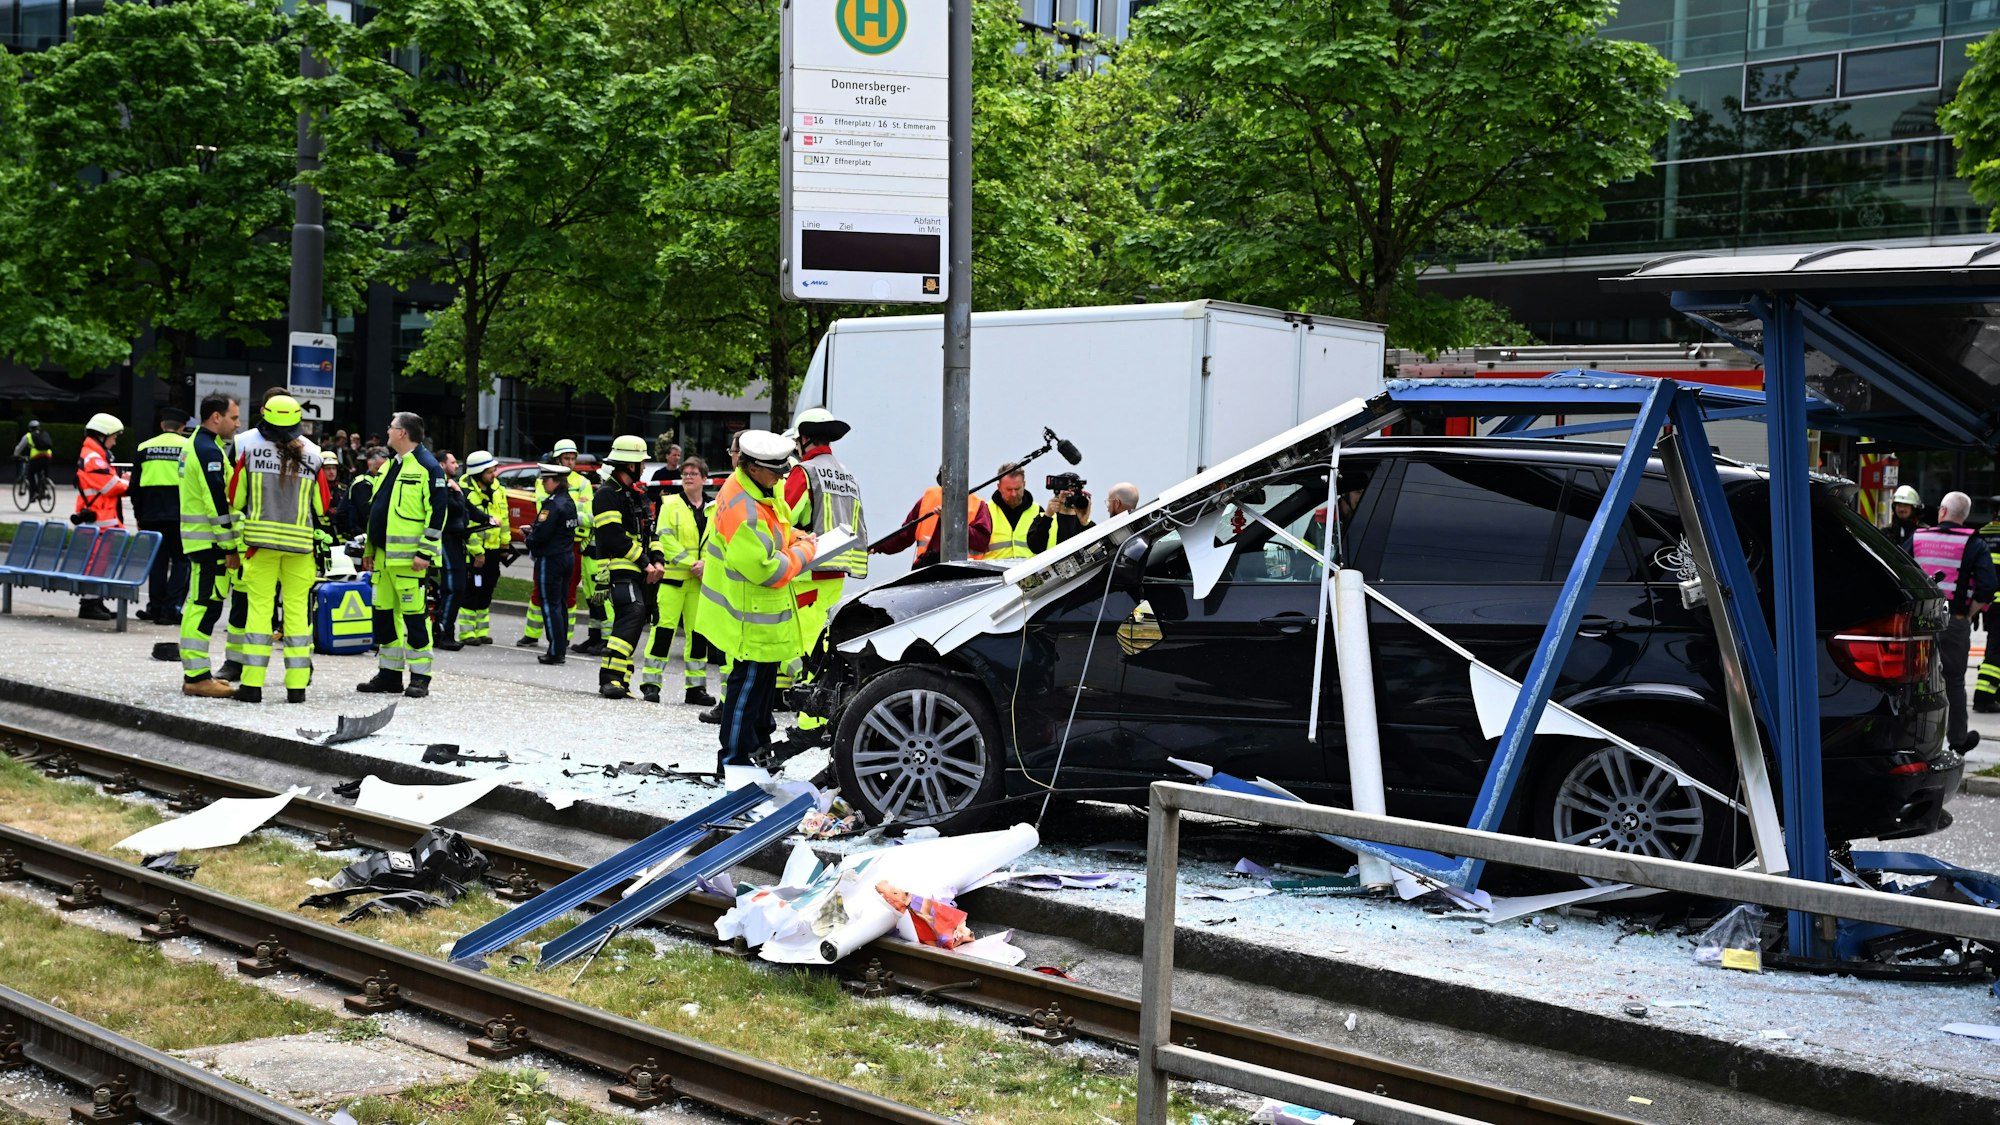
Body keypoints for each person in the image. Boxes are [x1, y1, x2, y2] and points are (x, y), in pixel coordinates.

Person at [697, 429, 816, 769]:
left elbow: (779, 527)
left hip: (757, 611)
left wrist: (798, 537)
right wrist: (806, 550)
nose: (782, 476)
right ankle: (733, 761)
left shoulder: (760, 489)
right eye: (776, 470)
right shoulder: (744, 508)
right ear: (752, 467)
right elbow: (768, 569)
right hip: (748, 613)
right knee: (746, 690)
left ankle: (758, 752)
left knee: (759, 690)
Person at [227, 395, 332, 705]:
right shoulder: (314, 454)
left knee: (259, 614)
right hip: (300, 548)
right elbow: (322, 505)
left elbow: (235, 497)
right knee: (298, 617)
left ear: (266, 418)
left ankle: (251, 687)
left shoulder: (249, 451)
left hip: (260, 546)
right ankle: (296, 689)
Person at [773, 407, 867, 749]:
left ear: (803, 438)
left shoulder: (804, 472)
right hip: (835, 573)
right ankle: (822, 718)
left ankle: (810, 725)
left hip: (807, 572)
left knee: (808, 650)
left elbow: (783, 518)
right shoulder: (845, 474)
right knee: (826, 648)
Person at [358, 412, 447, 699]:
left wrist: (425, 552)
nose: (387, 430)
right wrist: (370, 549)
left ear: (402, 433)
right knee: (384, 619)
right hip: (384, 560)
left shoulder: (428, 467)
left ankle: (421, 677)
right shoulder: (390, 466)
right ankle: (389, 675)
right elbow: (378, 511)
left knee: (415, 620)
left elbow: (438, 513)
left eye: (391, 427)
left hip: (411, 561)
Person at [1914, 491, 1997, 754]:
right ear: (1965, 516)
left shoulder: (1918, 538)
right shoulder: (1973, 543)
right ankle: (1958, 741)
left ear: (1941, 512)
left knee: (1913, 680)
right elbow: (1988, 585)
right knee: (1954, 681)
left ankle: (1912, 739)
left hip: (1917, 621)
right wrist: (1969, 614)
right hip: (1954, 620)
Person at [639, 457, 720, 705]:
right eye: (685, 473)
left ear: (704, 479)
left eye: (693, 473)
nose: (687, 477)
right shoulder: (670, 503)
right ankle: (651, 684)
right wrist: (691, 563)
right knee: (663, 631)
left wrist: (706, 563)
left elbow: (718, 540)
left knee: (698, 637)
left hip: (700, 582)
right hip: (674, 580)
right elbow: (665, 539)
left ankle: (695, 688)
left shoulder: (714, 508)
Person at [587, 436, 664, 698]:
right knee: (633, 611)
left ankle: (621, 679)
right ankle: (609, 678)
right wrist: (645, 561)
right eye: (641, 461)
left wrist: (658, 562)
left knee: (635, 617)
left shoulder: (637, 495)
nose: (644, 466)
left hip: (641, 570)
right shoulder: (607, 495)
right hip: (618, 568)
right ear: (630, 464)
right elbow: (612, 537)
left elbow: (652, 534)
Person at [178, 393, 242, 698]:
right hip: (210, 543)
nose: (237, 423)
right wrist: (230, 547)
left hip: (201, 541)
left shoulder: (201, 445)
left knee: (200, 605)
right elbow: (216, 503)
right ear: (216, 417)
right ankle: (197, 677)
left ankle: (196, 673)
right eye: (233, 417)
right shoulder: (208, 450)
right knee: (205, 606)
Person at [521, 437, 595, 652]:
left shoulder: (583, 482)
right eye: (566, 458)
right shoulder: (544, 480)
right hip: (551, 542)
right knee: (539, 590)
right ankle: (531, 634)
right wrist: (574, 509)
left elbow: (589, 516)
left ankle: (564, 638)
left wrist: (567, 514)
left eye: (573, 458)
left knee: (568, 594)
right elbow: (543, 510)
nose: (570, 462)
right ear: (557, 458)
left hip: (574, 543)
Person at [132, 408, 192, 626]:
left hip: (150, 514)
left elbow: (135, 486)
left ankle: (155, 608)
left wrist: (139, 515)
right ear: (182, 428)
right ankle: (171, 609)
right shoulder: (188, 446)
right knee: (181, 561)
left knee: (157, 562)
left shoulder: (144, 447)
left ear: (162, 425)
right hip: (179, 515)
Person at [72, 413, 131, 620]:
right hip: (97, 521)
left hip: (99, 520)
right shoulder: (94, 458)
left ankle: (96, 601)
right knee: (95, 562)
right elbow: (110, 486)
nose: (115, 442)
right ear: (102, 435)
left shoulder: (96, 456)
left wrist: (121, 482)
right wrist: (128, 484)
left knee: (100, 561)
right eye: (113, 437)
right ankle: (89, 604)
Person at [872, 470, 991, 566]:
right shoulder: (927, 499)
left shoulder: (977, 505)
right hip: (926, 568)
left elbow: (981, 542)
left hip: (961, 572)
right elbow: (904, 536)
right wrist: (877, 547)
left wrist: (952, 521)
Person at [526, 460, 579, 666]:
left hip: (551, 559)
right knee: (561, 604)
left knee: (550, 605)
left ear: (554, 481)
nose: (543, 483)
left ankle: (555, 650)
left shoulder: (552, 504)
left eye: (545, 480)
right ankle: (560, 647)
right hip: (566, 556)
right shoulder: (568, 501)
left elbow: (542, 535)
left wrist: (529, 537)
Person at [456, 450, 508, 646]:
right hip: (474, 551)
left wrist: (505, 544)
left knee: (487, 589)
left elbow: (503, 519)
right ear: (478, 473)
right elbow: (467, 526)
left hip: (493, 549)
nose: (493, 475)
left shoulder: (497, 489)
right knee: (472, 590)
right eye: (489, 471)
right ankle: (467, 633)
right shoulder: (465, 493)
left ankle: (481, 631)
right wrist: (477, 552)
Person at [433, 450, 471, 652]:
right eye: (453, 462)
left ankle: (445, 631)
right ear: (441, 465)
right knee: (452, 588)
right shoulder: (441, 487)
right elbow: (457, 507)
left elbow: (468, 508)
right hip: (445, 541)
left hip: (456, 541)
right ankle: (443, 633)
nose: (456, 466)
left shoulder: (453, 486)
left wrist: (487, 520)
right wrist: (457, 493)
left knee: (457, 588)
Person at [976, 462, 1040, 562]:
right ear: (999, 487)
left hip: (1028, 573)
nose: (1013, 494)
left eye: (1017, 489)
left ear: (1024, 484)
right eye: (1009, 489)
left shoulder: (1038, 511)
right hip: (993, 574)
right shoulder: (985, 510)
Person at [1027, 475, 1092, 553]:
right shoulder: (1042, 518)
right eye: (1065, 488)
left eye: (1073, 489)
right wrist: (1047, 517)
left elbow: (1097, 549)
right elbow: (1035, 548)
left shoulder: (1087, 522)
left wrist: (1084, 524)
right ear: (1057, 492)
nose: (1069, 492)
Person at [13, 420, 53, 503]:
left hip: (36, 457)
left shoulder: (28, 436)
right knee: (43, 474)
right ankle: (43, 489)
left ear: (30, 428)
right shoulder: (44, 434)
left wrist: (16, 455)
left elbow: (19, 448)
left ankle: (34, 494)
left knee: (30, 474)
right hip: (48, 457)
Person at [1888, 485, 1923, 554]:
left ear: (1913, 508)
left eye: (1905, 505)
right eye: (1899, 505)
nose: (1902, 509)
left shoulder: (1922, 532)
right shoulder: (1887, 531)